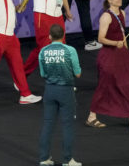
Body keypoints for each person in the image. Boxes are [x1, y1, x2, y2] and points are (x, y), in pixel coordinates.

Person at [86, 0, 129, 130]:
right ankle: (92, 116)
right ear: (109, 0)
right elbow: (100, 38)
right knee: (105, 87)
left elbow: (122, 34)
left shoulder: (123, 13)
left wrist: (126, 50)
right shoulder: (106, 17)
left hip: (122, 55)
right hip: (109, 57)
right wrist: (115, 43)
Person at [38, 24, 82, 166]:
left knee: (48, 124)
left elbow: (43, 74)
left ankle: (44, 159)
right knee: (67, 125)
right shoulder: (70, 50)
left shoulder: (43, 51)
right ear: (63, 36)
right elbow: (78, 73)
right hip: (66, 91)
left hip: (49, 91)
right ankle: (68, 160)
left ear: (49, 37)